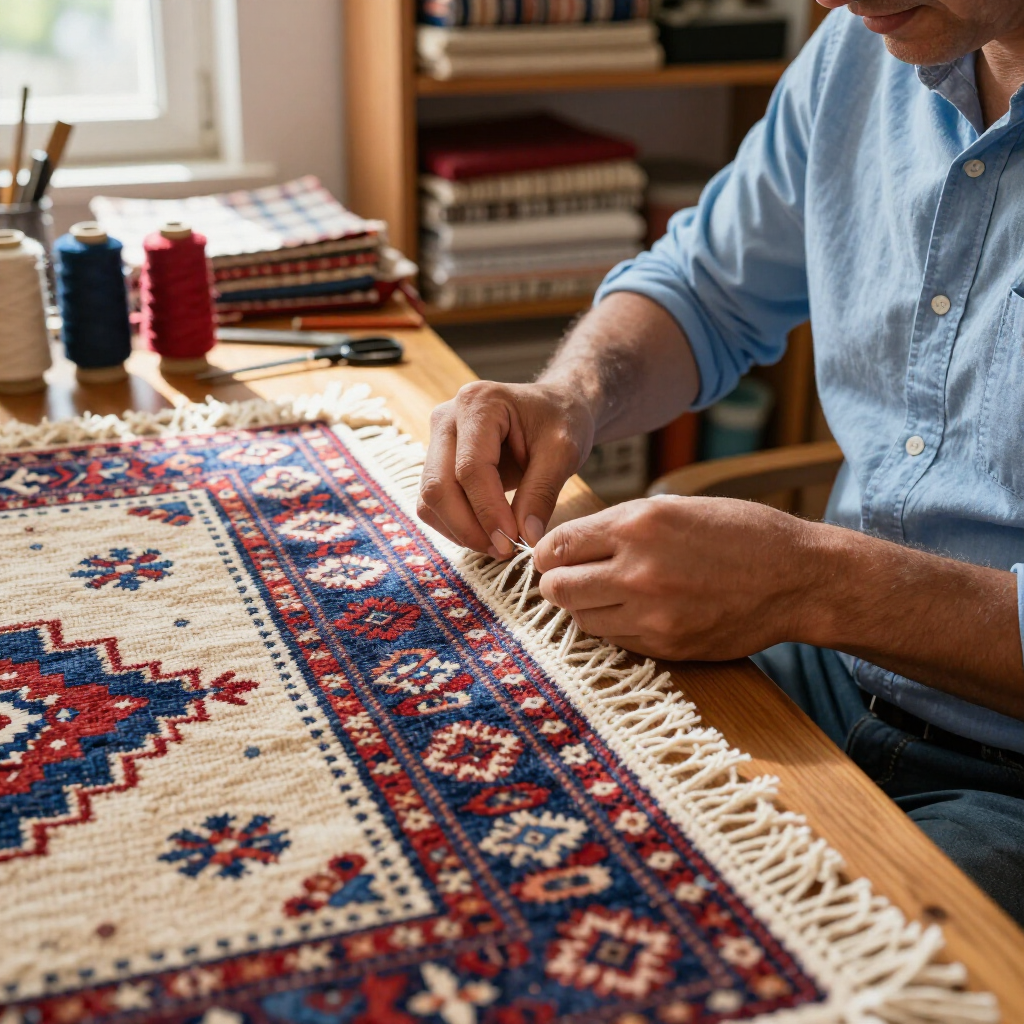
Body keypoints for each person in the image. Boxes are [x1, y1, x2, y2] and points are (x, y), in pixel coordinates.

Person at [417, 0, 1024, 926]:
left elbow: (820, 585)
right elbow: (707, 290)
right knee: (484, 810)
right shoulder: (859, 53)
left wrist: (814, 584)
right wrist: (571, 396)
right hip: (831, 667)